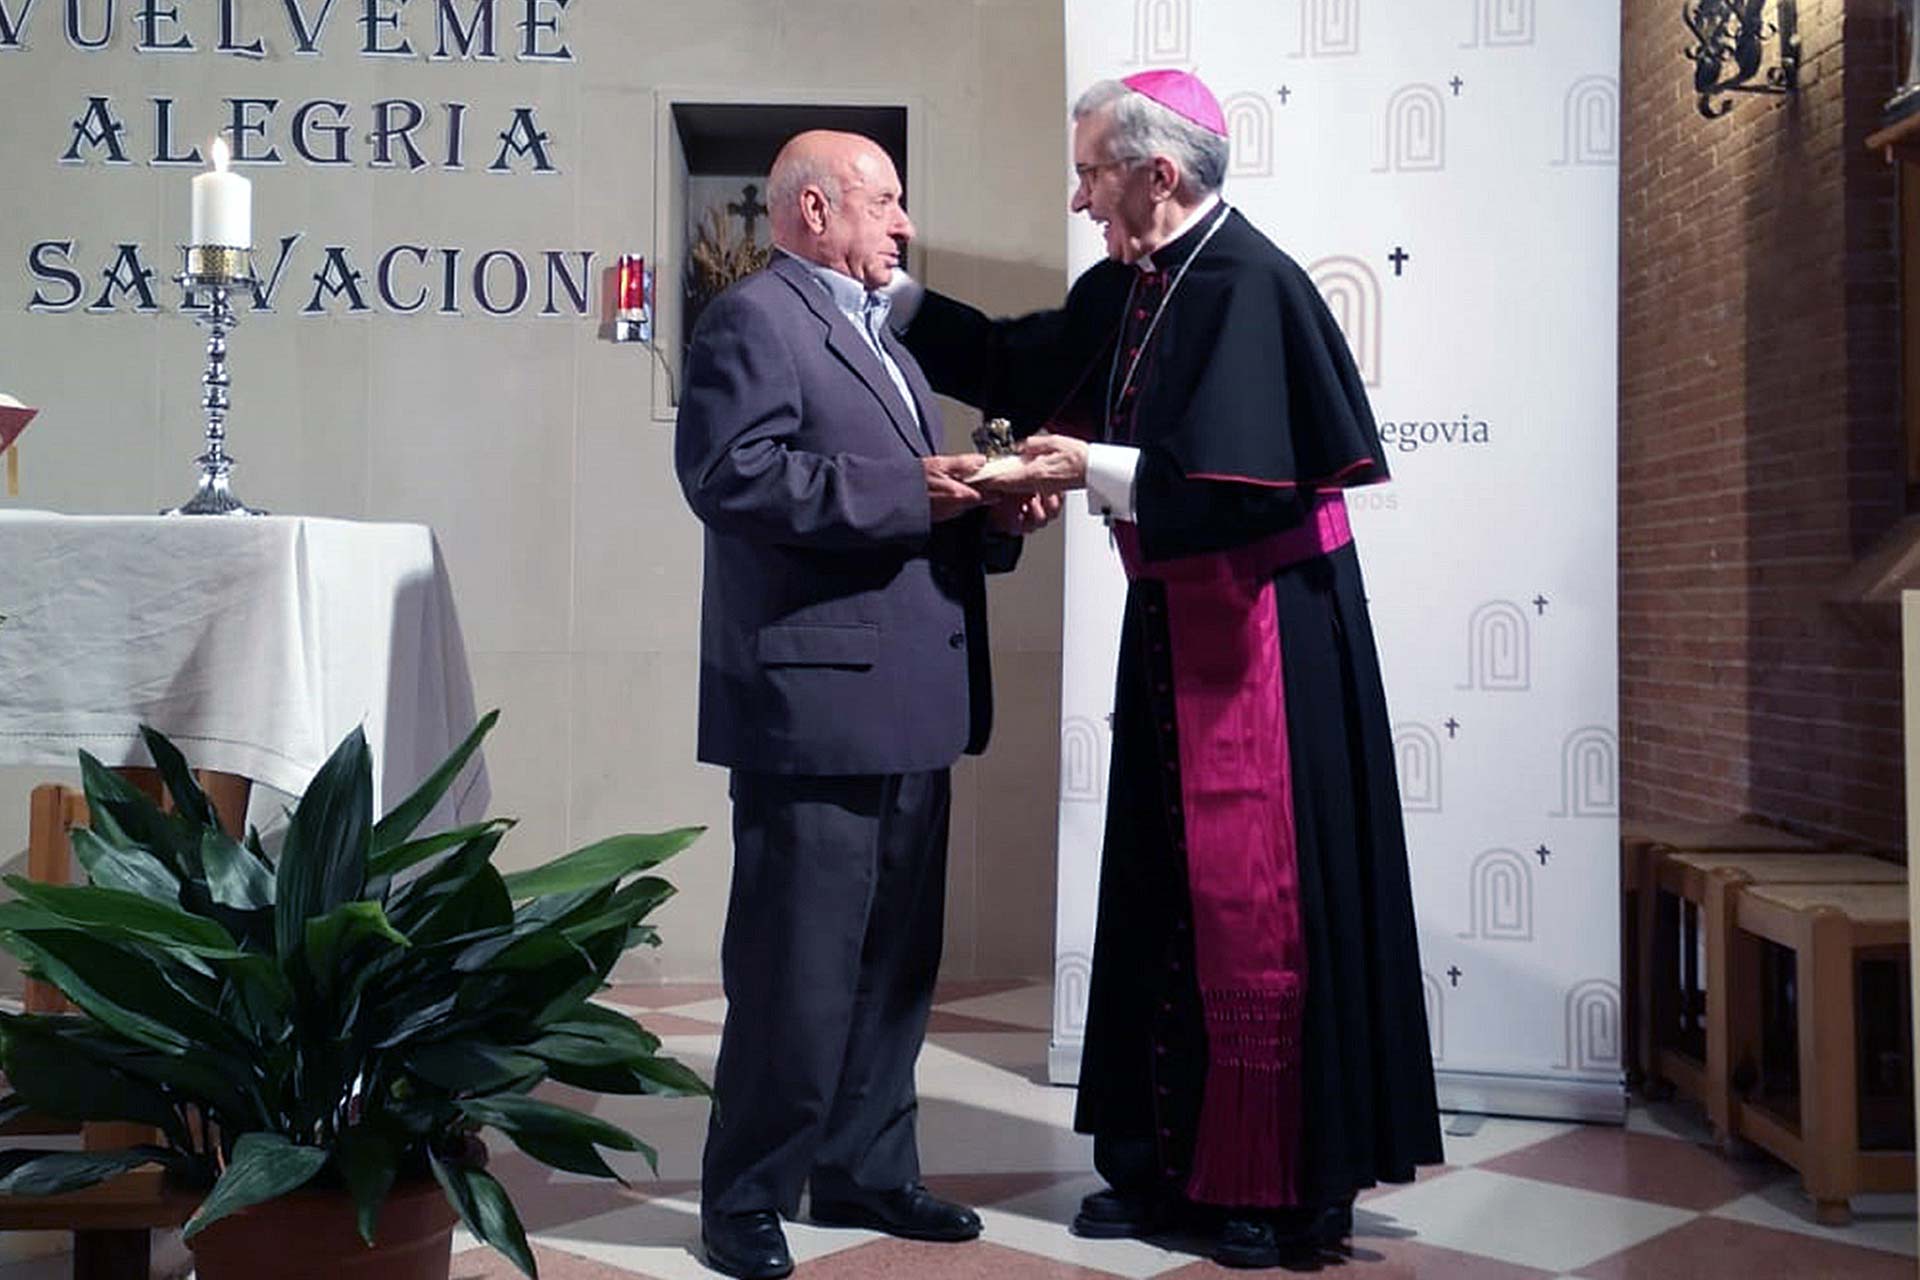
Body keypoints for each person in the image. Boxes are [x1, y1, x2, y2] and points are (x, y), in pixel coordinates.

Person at [895, 72, 1443, 1269]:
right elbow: (1019, 359)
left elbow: (1228, 488)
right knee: (1158, 889)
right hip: (1174, 631)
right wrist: (891, 297)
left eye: (1092, 169)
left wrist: (1083, 465)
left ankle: (1273, 1181)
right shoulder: (1133, 285)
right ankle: (1160, 1161)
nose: (1078, 192)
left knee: (1258, 911)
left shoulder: (1256, 287)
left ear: (1159, 172)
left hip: (1266, 640)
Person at [674, 129, 1058, 1280]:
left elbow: (903, 505)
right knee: (796, 967)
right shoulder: (754, 318)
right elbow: (728, 474)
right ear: (810, 206)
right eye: (884, 203)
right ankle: (745, 1191)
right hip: (815, 704)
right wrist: (915, 487)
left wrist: (988, 512)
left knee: (895, 963)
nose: (901, 224)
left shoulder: (877, 334)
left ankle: (864, 1166)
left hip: (913, 697)